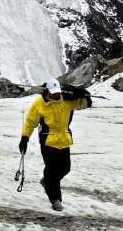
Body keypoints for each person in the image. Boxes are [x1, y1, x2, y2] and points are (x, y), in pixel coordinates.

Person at [19, 79, 92, 212]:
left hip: (64, 139)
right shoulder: (39, 104)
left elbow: (85, 104)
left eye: (56, 93)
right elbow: (30, 122)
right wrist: (24, 138)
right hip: (48, 141)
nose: (54, 95)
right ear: (46, 91)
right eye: (52, 93)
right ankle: (55, 199)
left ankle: (47, 181)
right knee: (51, 170)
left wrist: (82, 93)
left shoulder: (67, 99)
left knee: (65, 168)